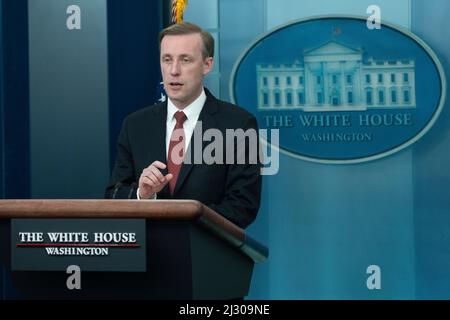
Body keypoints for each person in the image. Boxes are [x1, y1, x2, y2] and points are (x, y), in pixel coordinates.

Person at [105, 22, 261, 228]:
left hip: (206, 254)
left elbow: (242, 207)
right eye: (167, 60)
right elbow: (114, 195)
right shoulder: (135, 125)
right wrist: (143, 196)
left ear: (207, 65)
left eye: (185, 60)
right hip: (146, 256)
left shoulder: (238, 124)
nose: (174, 71)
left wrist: (178, 220)